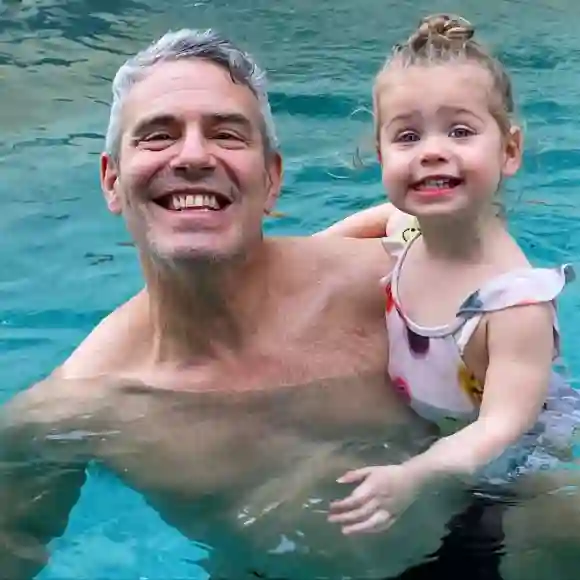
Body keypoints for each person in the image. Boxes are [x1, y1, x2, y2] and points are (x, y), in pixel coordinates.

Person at [0, 28, 509, 580]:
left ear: (271, 181)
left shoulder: (389, 285)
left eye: (226, 134)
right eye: (156, 136)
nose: (193, 156)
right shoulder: (76, 411)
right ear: (112, 180)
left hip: (487, 532)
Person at [322, 13, 580, 542]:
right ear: (381, 156)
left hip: (514, 458)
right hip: (437, 428)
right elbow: (377, 219)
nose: (432, 150)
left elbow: (499, 427)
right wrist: (303, 255)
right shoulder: (412, 229)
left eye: (460, 131)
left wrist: (416, 475)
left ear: (509, 150)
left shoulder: (512, 305)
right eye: (407, 136)